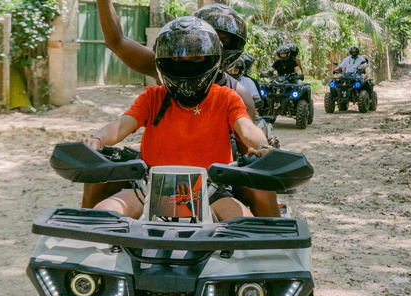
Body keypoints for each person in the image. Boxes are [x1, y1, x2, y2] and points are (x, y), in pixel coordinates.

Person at [88, 0, 280, 218]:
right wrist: (98, 139)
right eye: (180, 56)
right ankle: (81, 245)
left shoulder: (231, 95)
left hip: (212, 187)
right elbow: (121, 125)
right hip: (155, 185)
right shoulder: (154, 94)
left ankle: (274, 245)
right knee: (102, 214)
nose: (187, 61)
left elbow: (247, 131)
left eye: (198, 55)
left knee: (247, 226)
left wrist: (263, 147)